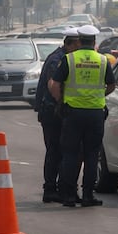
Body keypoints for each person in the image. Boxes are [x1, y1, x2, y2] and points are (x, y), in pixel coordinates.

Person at [50, 24, 115, 208]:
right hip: (95, 113)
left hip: (73, 113)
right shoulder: (103, 61)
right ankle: (88, 195)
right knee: (92, 155)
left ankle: (70, 195)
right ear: (95, 41)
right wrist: (97, 96)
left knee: (70, 154)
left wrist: (61, 101)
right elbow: (111, 85)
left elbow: (55, 83)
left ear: (79, 40)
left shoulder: (70, 59)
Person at [34, 27, 80, 203]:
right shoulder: (57, 60)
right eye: (78, 44)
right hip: (53, 112)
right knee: (55, 151)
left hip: (56, 111)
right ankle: (51, 189)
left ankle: (61, 188)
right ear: (71, 43)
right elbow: (54, 87)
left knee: (62, 151)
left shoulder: (63, 57)